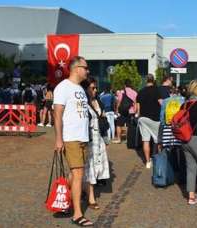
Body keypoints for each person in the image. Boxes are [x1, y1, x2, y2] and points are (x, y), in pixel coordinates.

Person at [53, 56, 93, 227]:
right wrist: (59, 139)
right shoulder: (63, 87)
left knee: (76, 174)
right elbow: (57, 115)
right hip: (71, 138)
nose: (87, 70)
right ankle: (77, 214)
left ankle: (61, 196)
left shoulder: (80, 89)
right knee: (77, 175)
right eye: (86, 67)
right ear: (77, 68)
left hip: (83, 137)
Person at [83, 77, 110, 211]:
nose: (95, 90)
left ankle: (83, 190)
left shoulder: (97, 101)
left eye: (95, 88)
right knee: (89, 168)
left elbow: (103, 118)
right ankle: (91, 197)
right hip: (88, 139)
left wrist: (105, 138)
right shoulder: (83, 103)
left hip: (98, 138)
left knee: (95, 167)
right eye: (92, 88)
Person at [136, 74, 161, 169]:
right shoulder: (156, 90)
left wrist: (138, 115)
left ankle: (147, 162)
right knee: (158, 140)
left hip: (143, 119)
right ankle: (159, 160)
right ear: (153, 80)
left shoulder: (140, 92)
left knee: (145, 140)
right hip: (155, 118)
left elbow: (138, 108)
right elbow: (161, 103)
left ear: (146, 81)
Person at [112, 79, 137, 144]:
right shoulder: (134, 92)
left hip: (122, 111)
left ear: (125, 85)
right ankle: (128, 139)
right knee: (129, 125)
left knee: (119, 124)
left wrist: (117, 110)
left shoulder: (122, 92)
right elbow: (135, 103)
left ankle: (119, 139)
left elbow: (119, 102)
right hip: (131, 111)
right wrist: (135, 111)